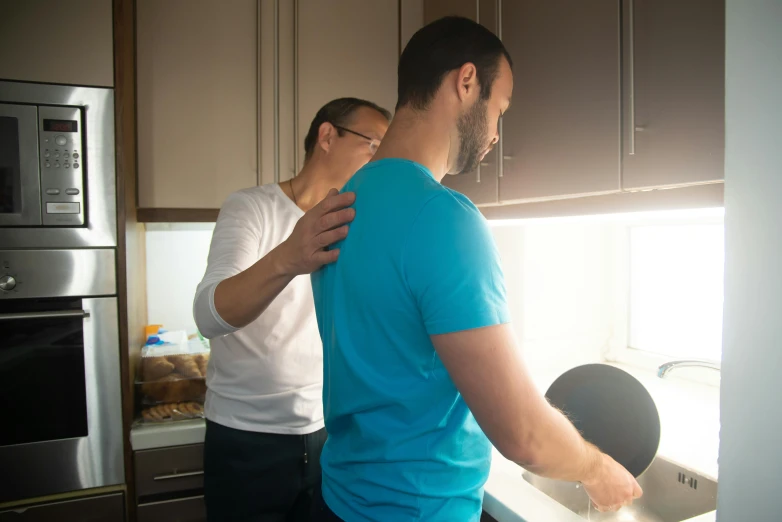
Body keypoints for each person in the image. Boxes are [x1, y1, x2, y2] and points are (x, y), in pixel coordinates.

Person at [310, 17, 642, 522]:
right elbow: (522, 434)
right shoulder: (442, 217)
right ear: (466, 82)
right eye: (499, 108)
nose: (495, 133)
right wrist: (597, 468)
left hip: (340, 498)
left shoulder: (344, 205)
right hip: (414, 511)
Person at [193, 97, 391, 522]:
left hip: (327, 434)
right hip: (245, 439)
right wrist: (289, 256)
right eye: (373, 145)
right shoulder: (252, 208)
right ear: (327, 135)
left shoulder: (361, 223)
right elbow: (209, 315)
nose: (379, 160)